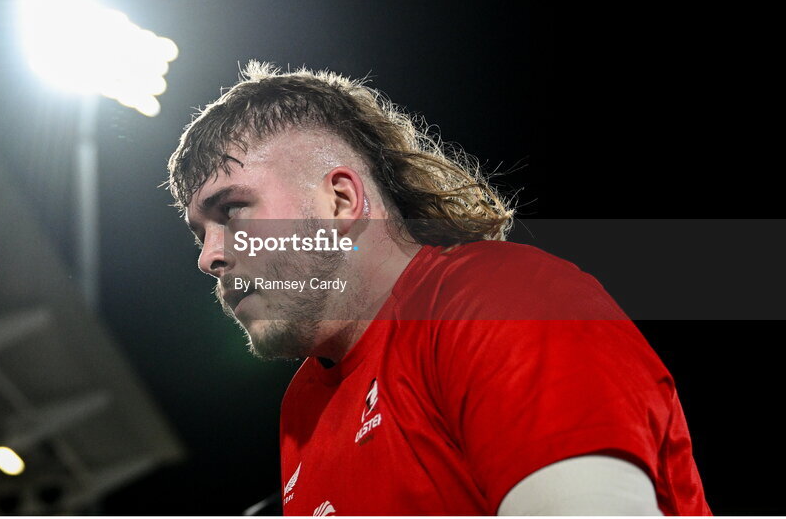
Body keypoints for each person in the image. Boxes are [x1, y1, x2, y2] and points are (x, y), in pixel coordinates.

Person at [167, 62, 710, 516]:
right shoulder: (302, 408)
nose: (208, 255)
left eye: (232, 210)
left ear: (339, 201)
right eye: (200, 232)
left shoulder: (500, 299)